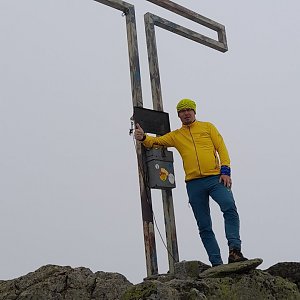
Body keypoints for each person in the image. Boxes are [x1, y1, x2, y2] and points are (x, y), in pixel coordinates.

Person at [134, 98, 248, 266]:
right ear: (178, 115)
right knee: (204, 225)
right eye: (182, 111)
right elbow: (156, 142)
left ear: (194, 112)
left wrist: (225, 171)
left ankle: (235, 251)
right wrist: (143, 137)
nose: (186, 113)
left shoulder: (207, 127)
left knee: (229, 207)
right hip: (194, 184)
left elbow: (221, 148)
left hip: (215, 178)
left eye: (189, 110)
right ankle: (216, 263)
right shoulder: (176, 135)